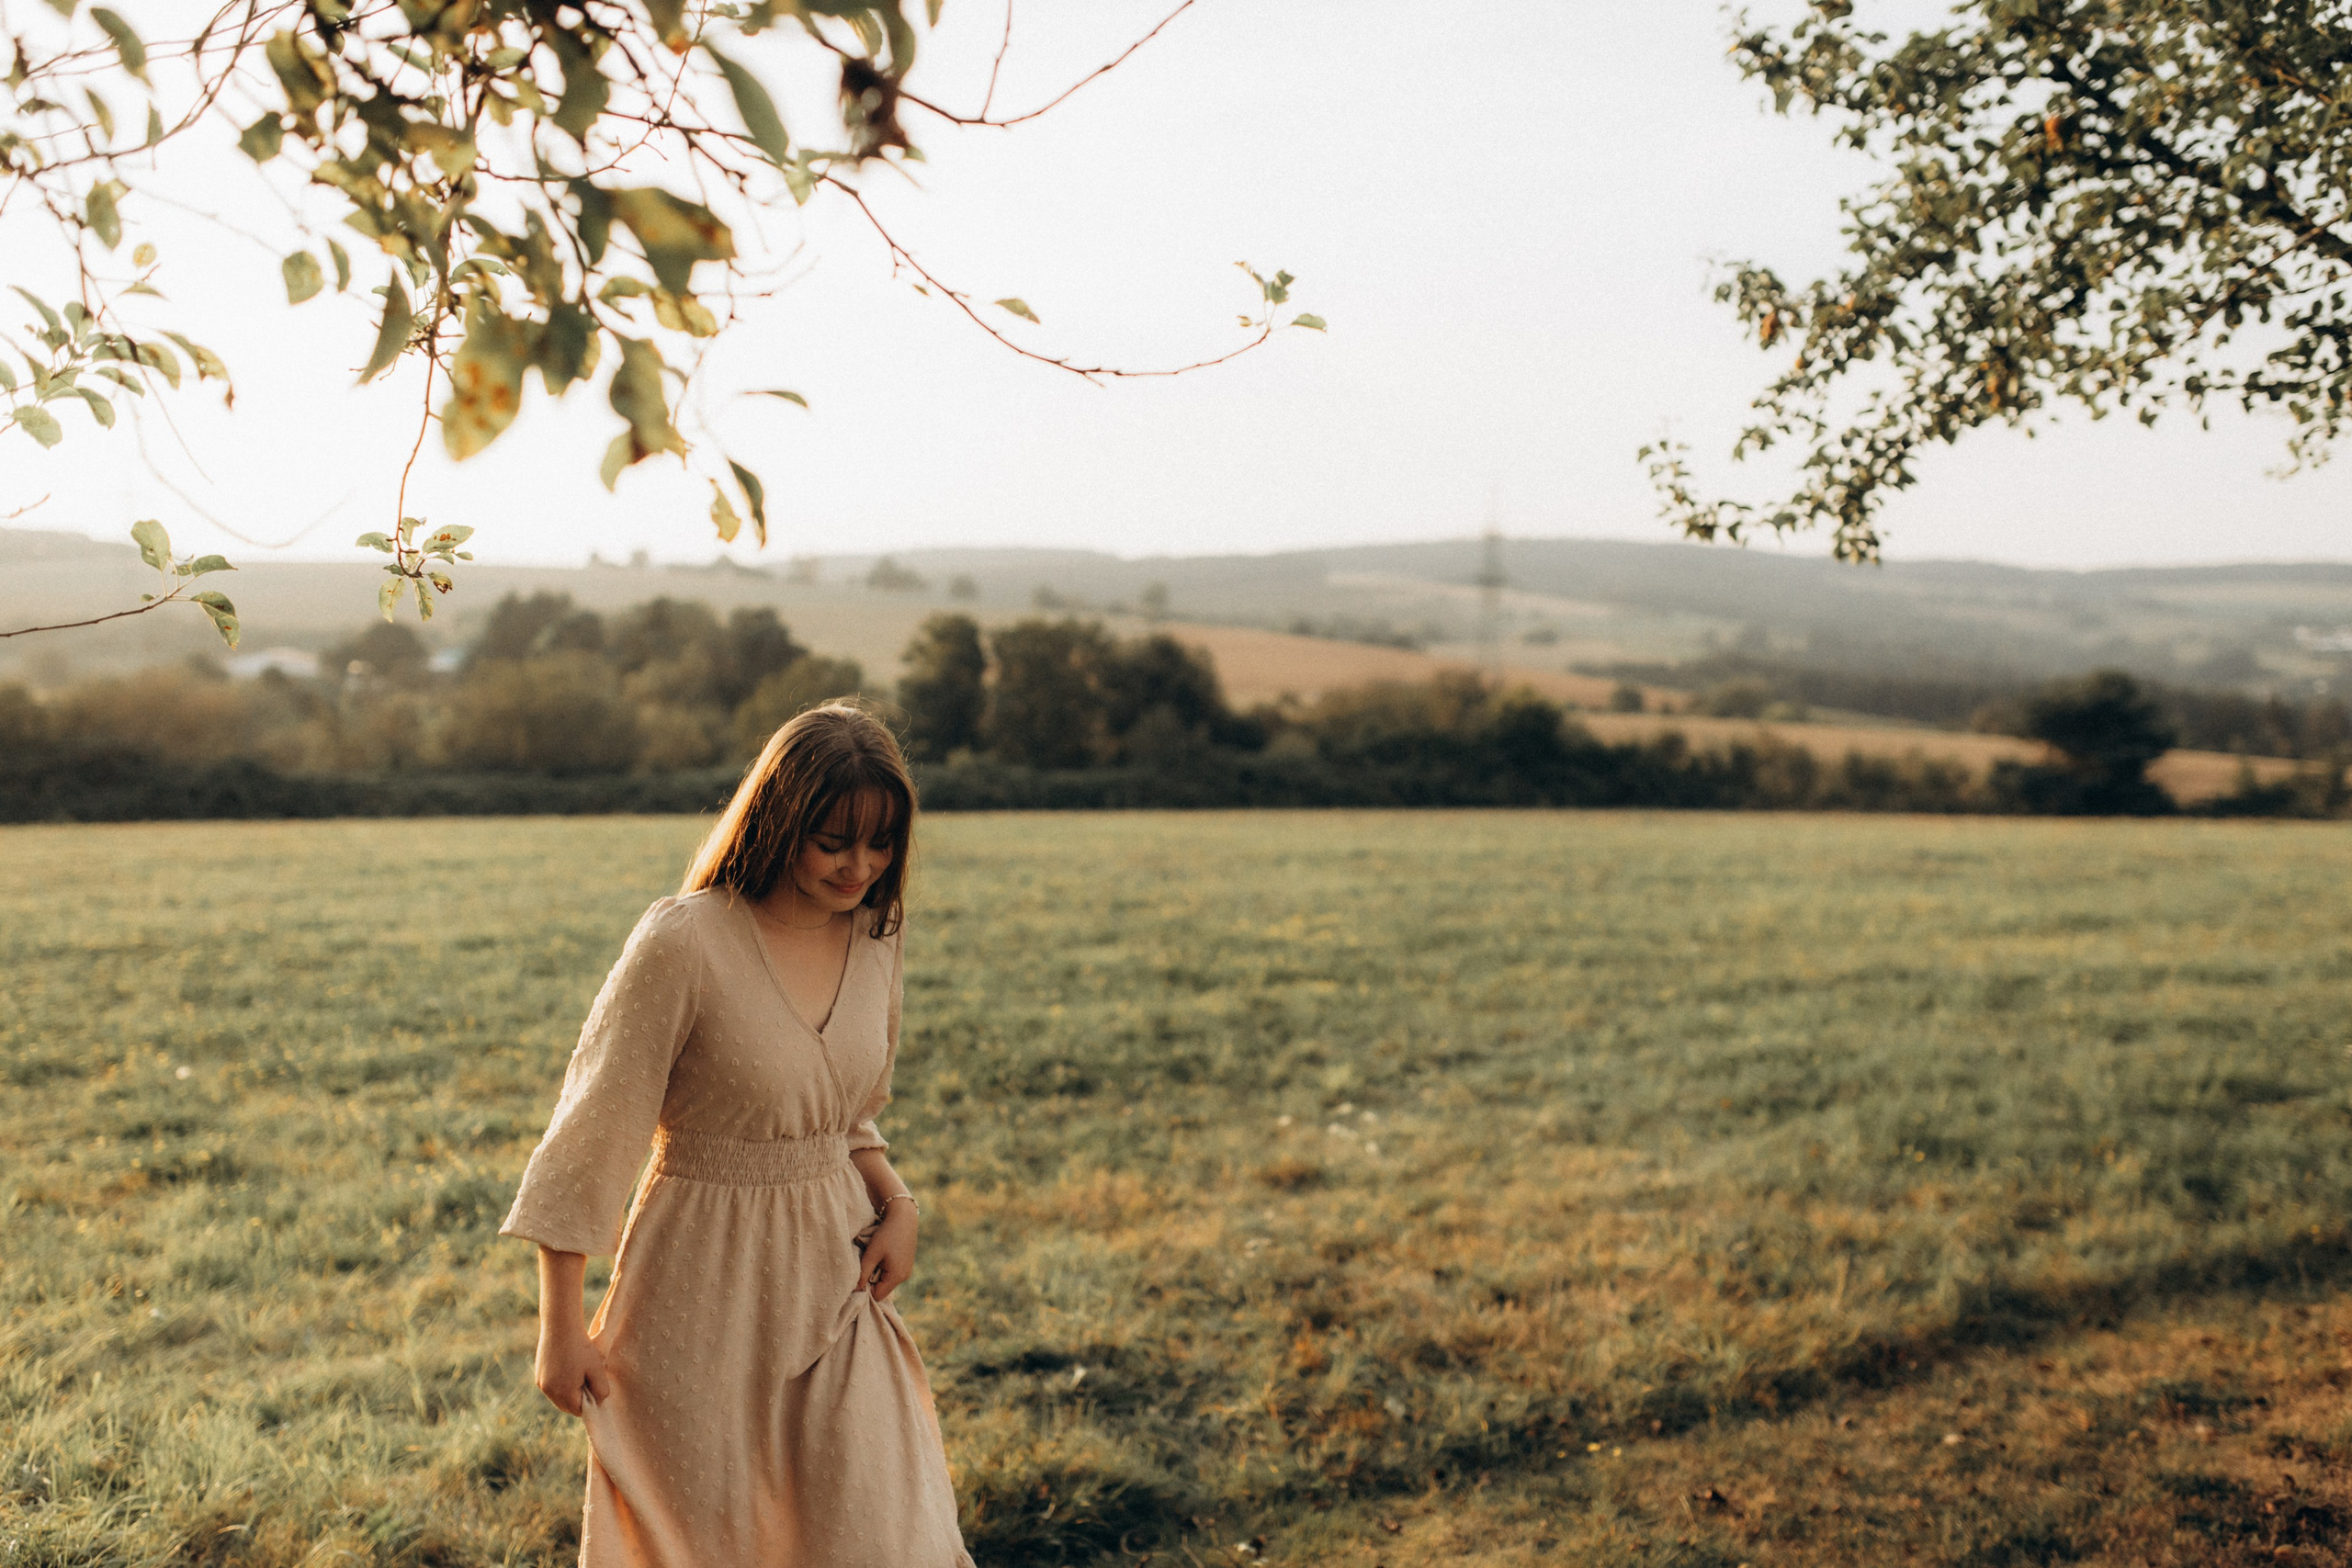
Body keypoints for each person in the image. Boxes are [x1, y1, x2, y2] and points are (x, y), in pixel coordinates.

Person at [500, 703, 973, 1567]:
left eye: (882, 844)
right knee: (708, 1539)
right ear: (781, 818)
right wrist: (561, 1326)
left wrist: (896, 1198)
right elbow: (591, 1135)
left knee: (883, 1531)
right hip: (698, 1284)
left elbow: (845, 1113)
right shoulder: (685, 940)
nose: (861, 866)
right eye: (835, 840)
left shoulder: (875, 936)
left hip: (837, 1274)